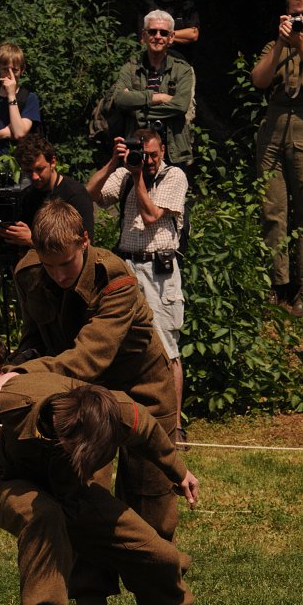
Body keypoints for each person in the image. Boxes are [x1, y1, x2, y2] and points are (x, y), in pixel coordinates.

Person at [0, 199, 220, 605]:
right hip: (73, 399)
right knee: (82, 499)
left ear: (85, 242)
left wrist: (24, 378)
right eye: (49, 266)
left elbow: (89, 360)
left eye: (67, 264)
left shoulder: (119, 282)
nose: (59, 275)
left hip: (139, 392)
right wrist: (20, 369)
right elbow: (37, 337)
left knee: (152, 509)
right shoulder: (31, 272)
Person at [0, 373, 230, 605]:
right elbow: (6, 384)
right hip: (9, 482)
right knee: (44, 517)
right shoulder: (17, 401)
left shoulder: (119, 411)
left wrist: (179, 472)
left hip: (74, 491)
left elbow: (150, 431)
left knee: (156, 552)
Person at [86, 128, 188, 445]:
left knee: (167, 349)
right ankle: (129, 418)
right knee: (121, 343)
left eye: (154, 154)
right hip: (127, 266)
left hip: (159, 270)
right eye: (145, 155)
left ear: (164, 150)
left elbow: (151, 216)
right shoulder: (127, 171)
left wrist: (138, 175)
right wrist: (114, 162)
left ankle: (173, 426)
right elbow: (91, 193)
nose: (150, 160)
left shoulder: (174, 176)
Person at [251, 0, 303, 318]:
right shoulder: (277, 45)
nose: (299, 19)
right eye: (295, 13)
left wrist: (300, 42)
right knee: (273, 210)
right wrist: (283, 43)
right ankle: (277, 284)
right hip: (272, 132)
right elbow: (259, 79)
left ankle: (302, 288)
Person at [113, 9, 195, 167]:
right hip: (136, 148)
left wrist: (138, 111)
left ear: (171, 38)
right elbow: (120, 99)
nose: (158, 36)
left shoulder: (182, 69)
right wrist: (156, 97)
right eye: (152, 31)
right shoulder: (130, 68)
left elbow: (180, 105)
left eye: (163, 33)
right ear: (144, 36)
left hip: (173, 152)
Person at [0, 134, 94, 253]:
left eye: (39, 169)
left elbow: (85, 246)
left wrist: (32, 241)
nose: (34, 177)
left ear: (53, 162)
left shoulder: (75, 194)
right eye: (28, 171)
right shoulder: (27, 195)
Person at [137, 0, 200, 66]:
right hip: (153, 65)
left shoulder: (186, 6)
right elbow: (143, 39)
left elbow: (193, 34)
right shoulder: (147, 6)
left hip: (183, 63)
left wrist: (159, 35)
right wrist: (178, 36)